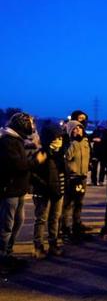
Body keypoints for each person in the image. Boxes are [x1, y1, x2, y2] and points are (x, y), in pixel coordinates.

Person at [0, 113, 46, 272]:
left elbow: (21, 156)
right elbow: (18, 165)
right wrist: (36, 161)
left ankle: (7, 253)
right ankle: (2, 255)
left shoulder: (17, 140)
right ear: (21, 125)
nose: (32, 126)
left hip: (19, 189)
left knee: (17, 223)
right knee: (7, 225)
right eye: (29, 123)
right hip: (10, 190)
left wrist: (31, 147)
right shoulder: (7, 141)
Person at [31, 124, 66, 258]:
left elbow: (63, 172)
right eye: (56, 138)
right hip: (43, 192)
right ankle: (38, 247)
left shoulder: (60, 154)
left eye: (60, 138)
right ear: (49, 139)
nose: (59, 141)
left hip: (58, 191)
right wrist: (44, 184)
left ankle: (53, 244)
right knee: (41, 219)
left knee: (55, 219)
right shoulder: (42, 154)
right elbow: (32, 174)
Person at [62, 120, 91, 242]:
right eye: (74, 128)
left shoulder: (85, 142)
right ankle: (65, 228)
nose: (77, 130)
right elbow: (66, 157)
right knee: (68, 205)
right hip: (72, 178)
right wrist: (73, 143)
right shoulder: (70, 143)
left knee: (79, 204)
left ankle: (76, 227)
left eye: (79, 128)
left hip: (82, 177)